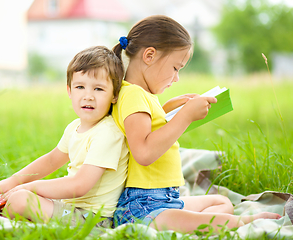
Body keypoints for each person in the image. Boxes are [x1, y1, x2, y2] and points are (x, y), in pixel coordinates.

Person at [111, 15, 281, 233]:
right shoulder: (133, 95)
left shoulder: (140, 94)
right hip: (144, 207)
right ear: (149, 55)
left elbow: (144, 128)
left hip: (165, 199)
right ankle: (245, 222)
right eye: (175, 68)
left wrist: (170, 109)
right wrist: (185, 117)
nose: (176, 78)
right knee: (210, 220)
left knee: (222, 203)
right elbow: (143, 152)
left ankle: (187, 222)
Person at [0, 46, 129, 228]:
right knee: (10, 195)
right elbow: (51, 161)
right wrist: (13, 181)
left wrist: (29, 187)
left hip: (93, 220)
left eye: (99, 89)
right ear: (69, 91)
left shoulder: (108, 133)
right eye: (80, 87)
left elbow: (80, 185)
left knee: (21, 199)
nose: (88, 96)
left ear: (114, 95)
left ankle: (2, 221)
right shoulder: (75, 127)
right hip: (71, 209)